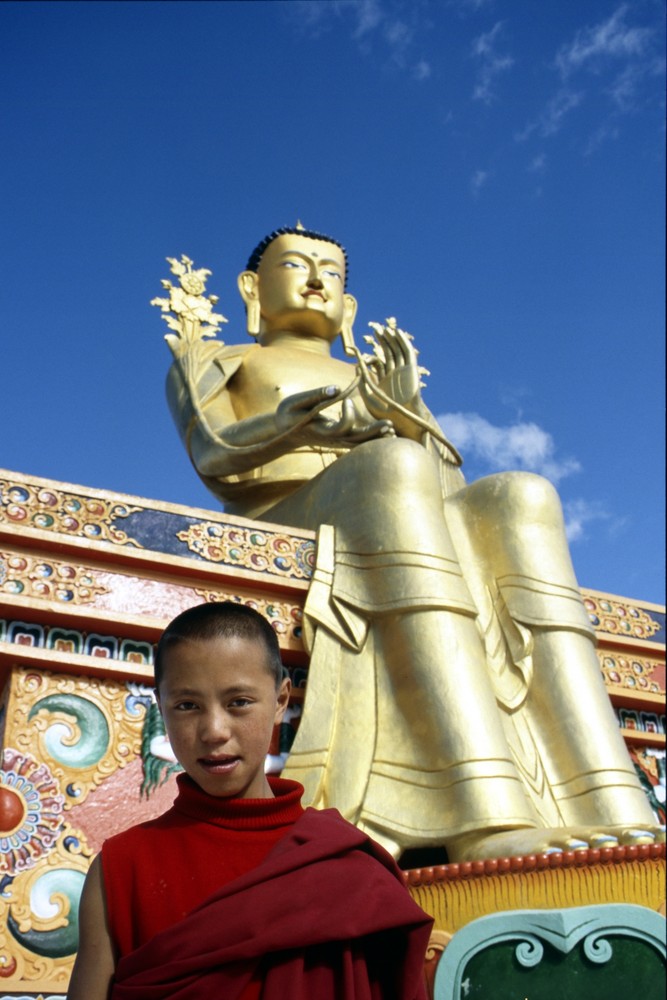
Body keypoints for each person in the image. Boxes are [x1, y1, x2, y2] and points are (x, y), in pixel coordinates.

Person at [160, 226, 663, 862]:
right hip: (292, 509)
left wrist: (402, 417)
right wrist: (296, 421)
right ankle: (486, 811)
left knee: (522, 495)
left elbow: (450, 486)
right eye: (298, 265)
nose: (317, 280)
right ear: (252, 288)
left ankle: (608, 798)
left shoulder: (368, 377)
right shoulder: (223, 361)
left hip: (389, 506)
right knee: (392, 466)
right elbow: (214, 452)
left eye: (331, 273)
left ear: (349, 306)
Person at [67, 601, 433, 1000]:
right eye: (187, 705)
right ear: (161, 707)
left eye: (238, 702)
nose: (214, 731)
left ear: (280, 701)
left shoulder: (351, 870)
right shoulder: (121, 868)